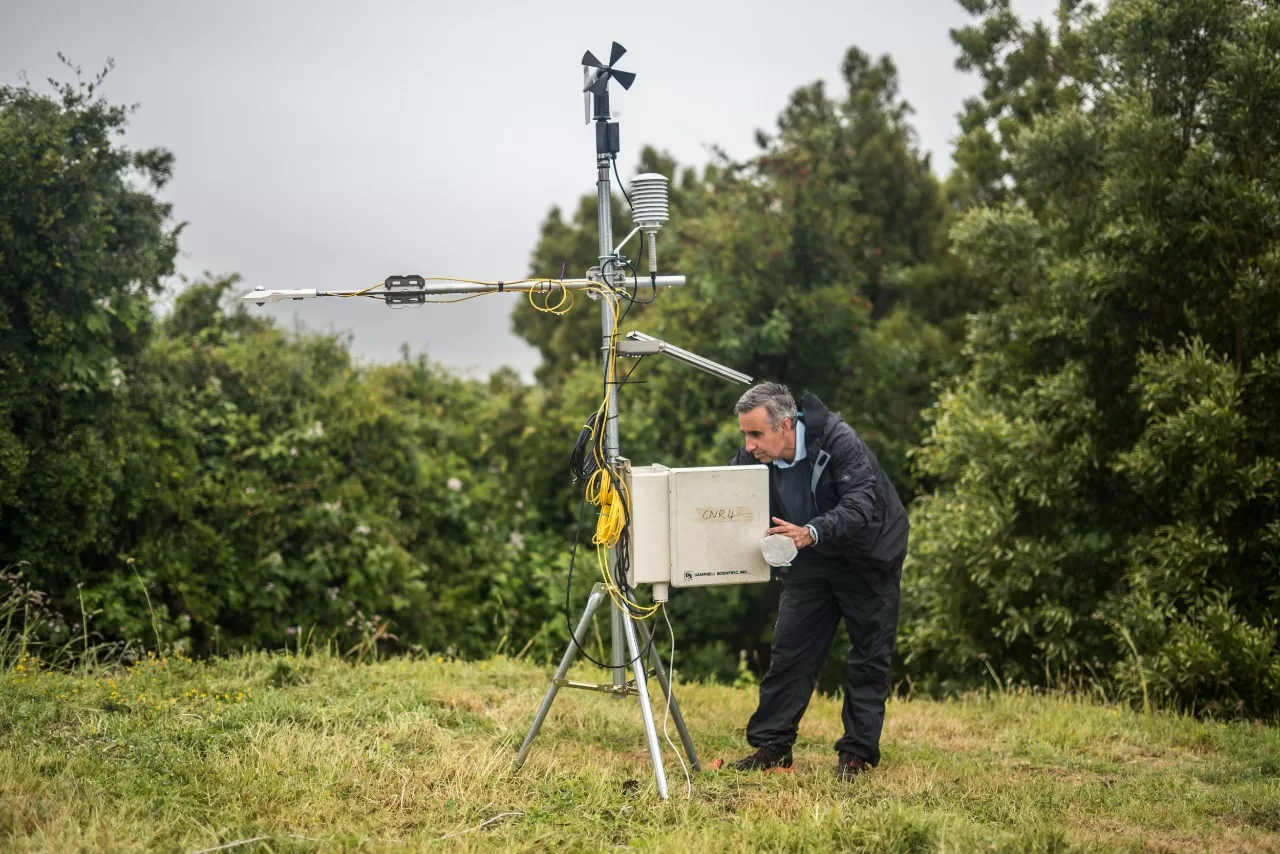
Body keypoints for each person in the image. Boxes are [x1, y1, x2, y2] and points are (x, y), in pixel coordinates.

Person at [726, 382, 909, 780]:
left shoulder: (840, 442)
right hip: (808, 555)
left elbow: (861, 504)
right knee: (790, 651)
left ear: (785, 426)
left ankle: (856, 754)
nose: (749, 444)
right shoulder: (754, 457)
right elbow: (730, 500)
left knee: (868, 655)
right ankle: (772, 747)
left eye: (756, 433)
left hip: (868, 556)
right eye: (744, 434)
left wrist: (811, 531)